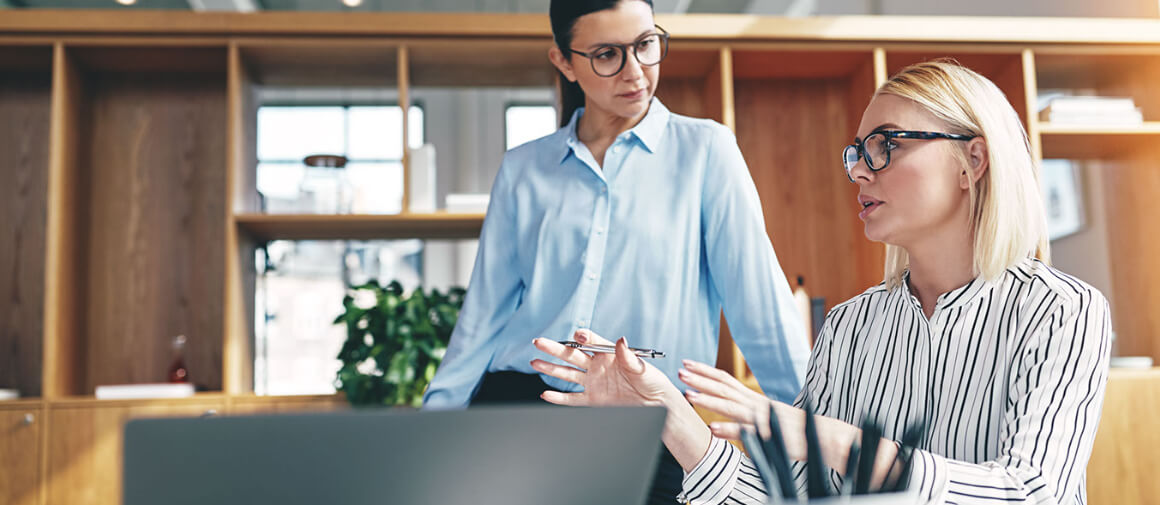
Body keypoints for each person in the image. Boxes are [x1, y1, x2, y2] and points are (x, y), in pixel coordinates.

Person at [532, 60, 1113, 505]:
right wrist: (674, 421)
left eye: (886, 145)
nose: (859, 168)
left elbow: (1033, 493)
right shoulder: (851, 324)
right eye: (857, 151)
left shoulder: (1062, 310)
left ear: (973, 161)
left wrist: (822, 436)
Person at [422, 0, 812, 502]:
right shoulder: (524, 168)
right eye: (607, 54)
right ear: (564, 61)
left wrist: (818, 440)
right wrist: (432, 433)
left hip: (653, 420)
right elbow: (482, 316)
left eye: (646, 45)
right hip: (521, 407)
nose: (635, 72)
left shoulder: (706, 151)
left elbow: (761, 309)